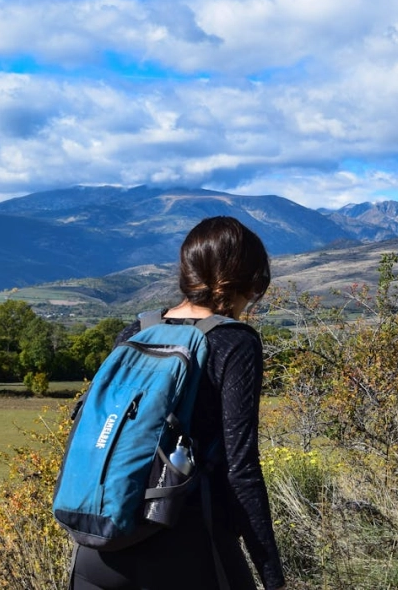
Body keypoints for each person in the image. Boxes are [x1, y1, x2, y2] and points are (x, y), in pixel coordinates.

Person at [72, 216, 286, 590]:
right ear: (246, 280)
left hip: (99, 546)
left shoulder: (136, 332)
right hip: (187, 545)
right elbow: (242, 469)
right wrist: (272, 575)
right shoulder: (234, 343)